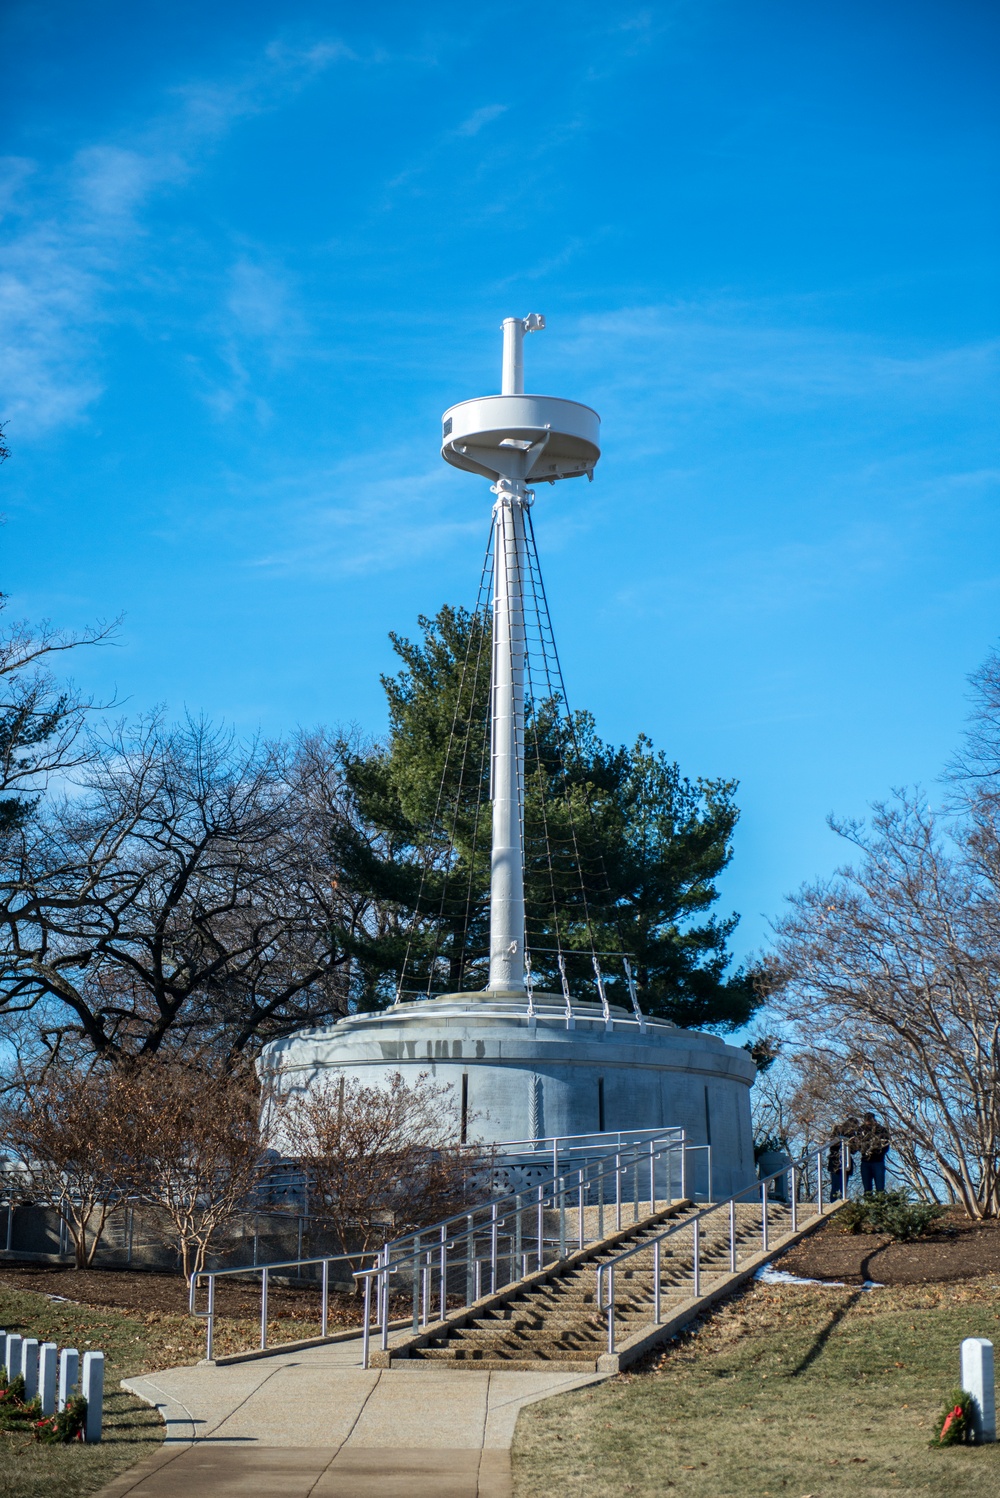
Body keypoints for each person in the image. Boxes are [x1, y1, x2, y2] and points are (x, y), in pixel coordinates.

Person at [855, 1112, 891, 1194]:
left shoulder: (881, 1130)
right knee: (867, 1188)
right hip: (865, 1162)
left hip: (878, 1161)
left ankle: (880, 1205)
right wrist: (864, 1151)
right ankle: (868, 1204)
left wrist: (878, 1153)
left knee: (880, 1188)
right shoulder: (861, 1130)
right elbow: (858, 1144)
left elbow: (886, 1145)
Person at [828, 1116, 859, 1200]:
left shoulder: (853, 1135)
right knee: (835, 1186)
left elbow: (854, 1150)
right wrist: (843, 1141)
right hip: (835, 1160)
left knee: (843, 1188)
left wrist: (853, 1143)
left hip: (846, 1160)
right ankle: (833, 1204)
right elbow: (831, 1143)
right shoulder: (837, 1129)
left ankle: (841, 1204)